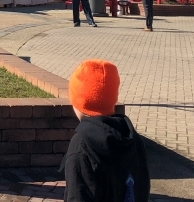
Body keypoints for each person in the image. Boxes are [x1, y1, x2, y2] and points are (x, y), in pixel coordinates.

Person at [62, 59, 150, 202]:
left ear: (78, 101)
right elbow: (142, 187)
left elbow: (78, 195)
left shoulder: (81, 145)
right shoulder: (132, 138)